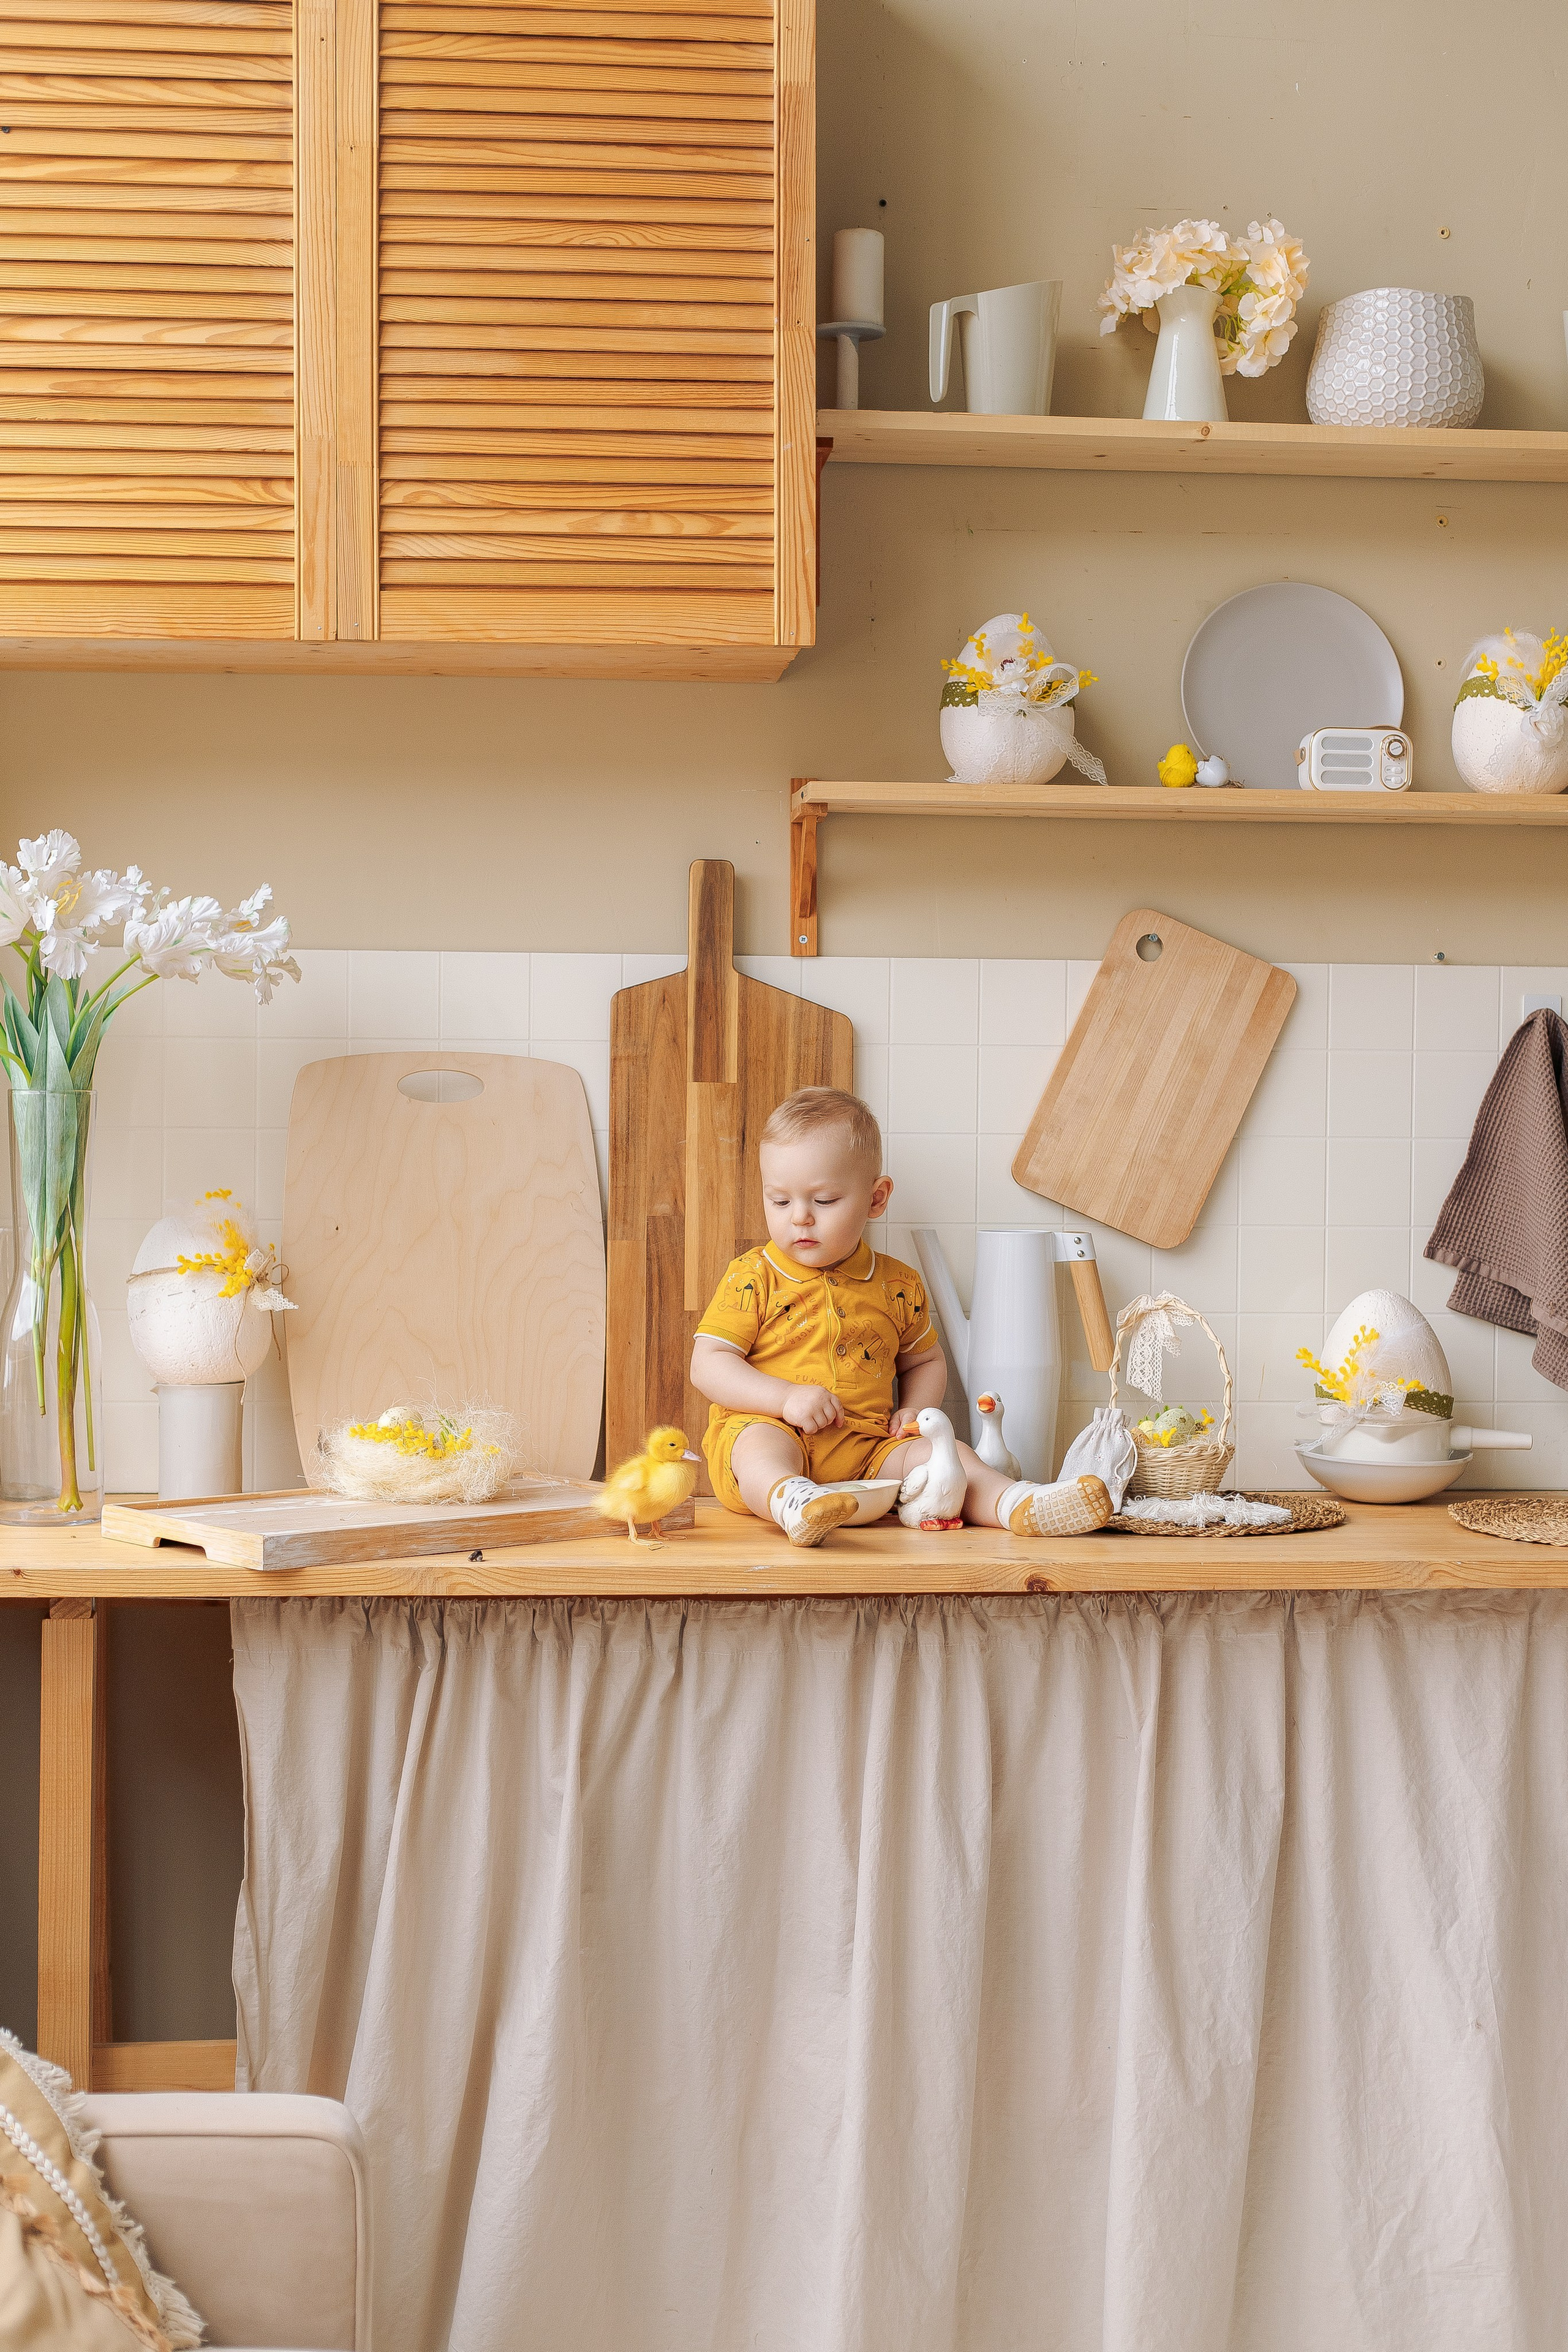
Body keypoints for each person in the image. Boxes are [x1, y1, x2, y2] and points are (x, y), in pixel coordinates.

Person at [689, 1085, 1110, 1546]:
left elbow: (926, 1361)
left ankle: (1020, 1504)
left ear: (876, 1199)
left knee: (949, 1453)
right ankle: (794, 1501)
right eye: (780, 1201)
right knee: (757, 1450)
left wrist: (915, 1409)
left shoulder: (897, 1284)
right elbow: (709, 1363)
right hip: (770, 1429)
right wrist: (785, 1398)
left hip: (869, 1452)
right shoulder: (752, 1276)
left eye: (824, 1201)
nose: (800, 1218)